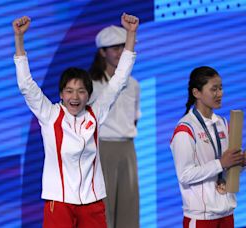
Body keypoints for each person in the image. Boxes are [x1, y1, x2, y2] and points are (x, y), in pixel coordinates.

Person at [13, 13, 139, 227]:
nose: (75, 96)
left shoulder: (95, 113)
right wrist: (19, 39)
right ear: (61, 94)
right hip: (60, 202)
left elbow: (119, 80)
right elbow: (26, 85)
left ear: (88, 95)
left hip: (92, 202)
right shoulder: (49, 114)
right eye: (69, 91)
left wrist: (131, 34)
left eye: (81, 91)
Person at [170, 66, 246, 227]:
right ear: (196, 93)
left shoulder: (223, 123)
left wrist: (240, 162)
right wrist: (221, 163)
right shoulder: (185, 129)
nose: (220, 94)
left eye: (221, 88)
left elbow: (228, 168)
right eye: (214, 89)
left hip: (227, 213)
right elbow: (184, 175)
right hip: (201, 218)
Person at [88, 24, 141, 228]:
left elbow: (134, 118)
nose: (120, 52)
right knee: (103, 206)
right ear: (102, 52)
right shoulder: (90, 84)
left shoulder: (134, 84)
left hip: (127, 148)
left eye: (123, 47)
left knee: (129, 204)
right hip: (101, 148)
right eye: (115, 48)